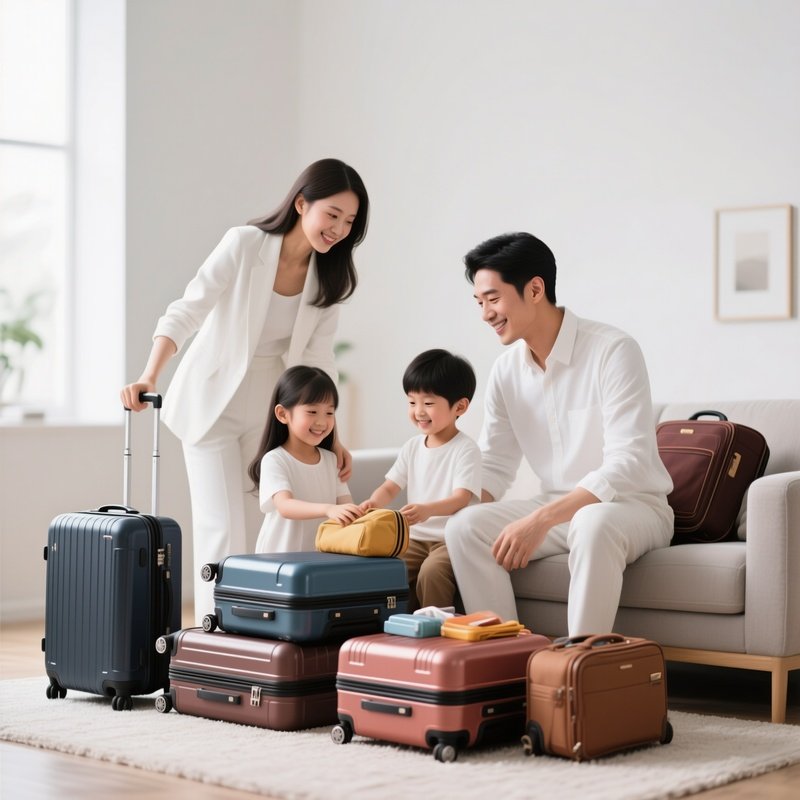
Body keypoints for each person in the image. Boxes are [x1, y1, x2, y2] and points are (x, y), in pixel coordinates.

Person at [120, 158, 369, 623]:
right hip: (212, 401)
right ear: (301, 204)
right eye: (331, 214)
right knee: (220, 526)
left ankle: (253, 631)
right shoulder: (245, 244)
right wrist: (149, 375)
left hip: (273, 405)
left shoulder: (330, 278)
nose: (338, 229)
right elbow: (188, 309)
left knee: (262, 526)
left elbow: (318, 361)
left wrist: (331, 435)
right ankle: (213, 637)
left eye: (349, 222)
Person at [444, 232, 674, 635]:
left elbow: (628, 462)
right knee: (464, 528)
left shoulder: (612, 350)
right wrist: (442, 509)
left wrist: (540, 520)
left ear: (535, 289)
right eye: (479, 302)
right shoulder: (505, 371)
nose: (485, 314)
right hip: (556, 509)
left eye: (493, 299)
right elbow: (495, 464)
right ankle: (504, 659)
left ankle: (577, 670)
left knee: (592, 522)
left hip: (632, 507)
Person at [360, 349, 482, 611]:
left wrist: (428, 509)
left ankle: (434, 632)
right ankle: (397, 629)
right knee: (394, 570)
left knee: (432, 572)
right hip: (414, 539)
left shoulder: (466, 449)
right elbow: (391, 486)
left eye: (428, 403)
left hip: (451, 539)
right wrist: (373, 503)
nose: (418, 412)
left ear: (459, 407)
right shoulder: (412, 447)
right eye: (411, 402)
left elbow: (462, 498)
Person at [247, 365, 362, 553]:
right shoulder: (275, 460)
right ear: (283, 414)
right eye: (312, 412)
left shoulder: (331, 460)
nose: (322, 422)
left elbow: (346, 505)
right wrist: (328, 509)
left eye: (329, 413)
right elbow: (285, 506)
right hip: (279, 559)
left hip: (319, 558)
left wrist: (362, 513)